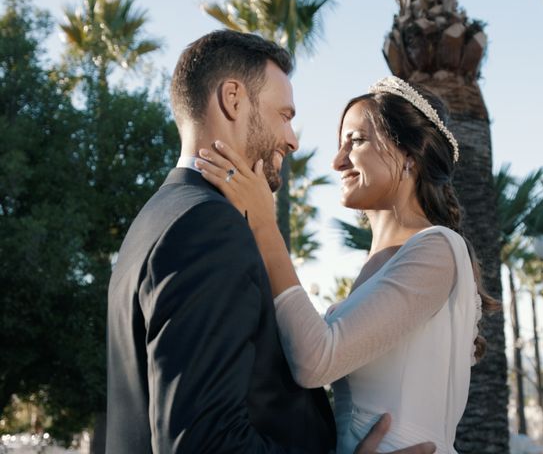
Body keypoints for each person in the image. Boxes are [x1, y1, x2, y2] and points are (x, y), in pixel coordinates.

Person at [106, 30, 435, 454]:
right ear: (233, 99)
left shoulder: (157, 217)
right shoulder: (209, 226)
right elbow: (205, 444)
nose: (293, 139)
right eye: (284, 114)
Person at [196, 75, 499, 453]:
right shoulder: (378, 266)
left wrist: (263, 224)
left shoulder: (436, 250)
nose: (337, 161)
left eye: (354, 141)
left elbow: (316, 361)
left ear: (409, 154)